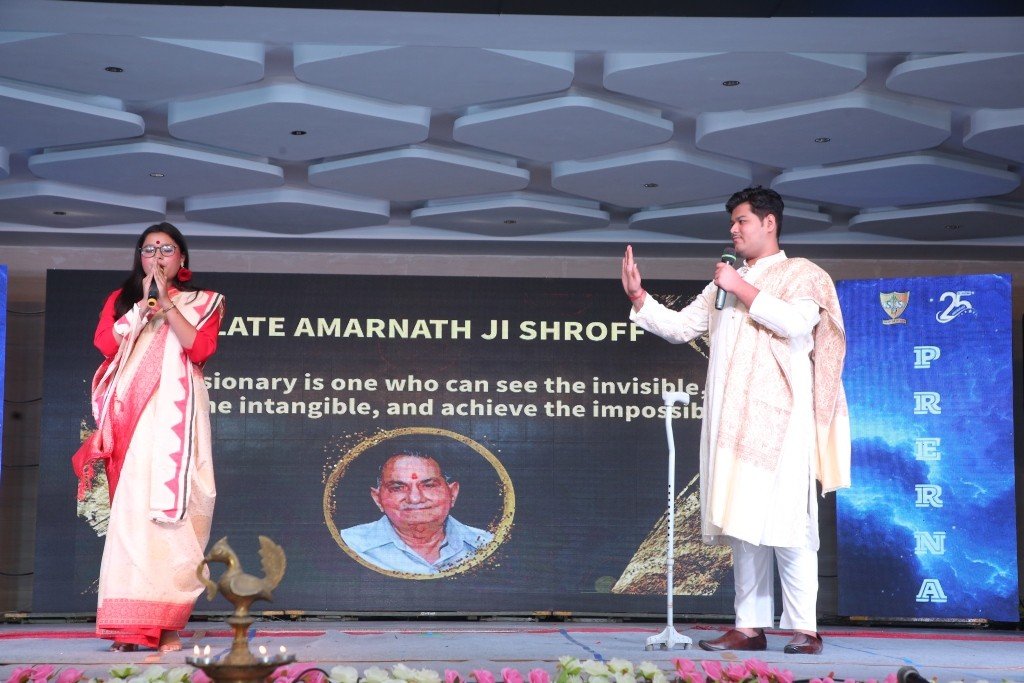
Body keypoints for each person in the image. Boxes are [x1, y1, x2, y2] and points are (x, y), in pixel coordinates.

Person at [621, 187, 850, 655]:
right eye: (732, 223)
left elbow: (796, 323)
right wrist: (639, 297)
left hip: (783, 421)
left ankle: (806, 628)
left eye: (742, 221)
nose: (733, 230)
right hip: (732, 422)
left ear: (769, 223)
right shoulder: (722, 284)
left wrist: (740, 287)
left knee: (788, 522)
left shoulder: (801, 273)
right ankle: (749, 627)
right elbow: (681, 328)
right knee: (743, 526)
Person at [72, 222, 225, 653]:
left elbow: (200, 349)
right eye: (149, 249)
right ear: (139, 257)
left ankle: (167, 623)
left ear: (183, 259)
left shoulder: (204, 301)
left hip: (178, 418)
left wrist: (167, 306)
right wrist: (142, 306)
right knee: (133, 516)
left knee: (177, 515)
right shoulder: (123, 300)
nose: (157, 256)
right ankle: (129, 626)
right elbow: (106, 345)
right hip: (132, 417)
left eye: (166, 249)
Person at [340, 452, 494, 574]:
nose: (415, 498)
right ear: (378, 499)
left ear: (452, 493)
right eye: (397, 488)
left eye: (429, 485)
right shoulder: (348, 545)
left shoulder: (488, 545)